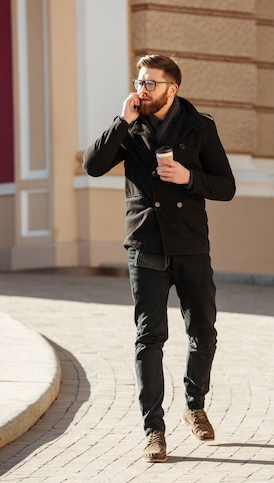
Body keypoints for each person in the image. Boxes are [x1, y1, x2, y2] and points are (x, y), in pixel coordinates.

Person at [82, 55, 236, 462]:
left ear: (174, 88)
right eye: (140, 81)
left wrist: (189, 178)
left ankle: (194, 404)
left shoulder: (201, 127)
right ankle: (154, 430)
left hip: (190, 246)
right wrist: (121, 122)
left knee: (203, 330)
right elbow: (92, 166)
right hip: (146, 245)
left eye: (151, 83)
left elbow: (226, 186)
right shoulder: (131, 128)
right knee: (150, 338)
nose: (143, 88)